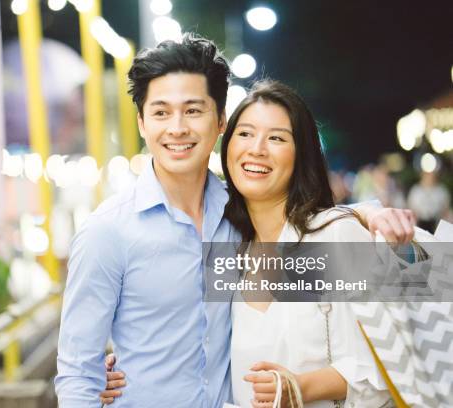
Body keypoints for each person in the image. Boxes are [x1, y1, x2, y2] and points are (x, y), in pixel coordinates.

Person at [56, 33, 414, 408]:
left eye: (193, 110)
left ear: (220, 120)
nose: (177, 128)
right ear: (143, 123)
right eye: (161, 112)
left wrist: (368, 213)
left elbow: (312, 224)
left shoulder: (236, 215)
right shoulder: (108, 232)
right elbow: (78, 374)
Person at [220, 80, 393, 407]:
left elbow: (384, 367)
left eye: (276, 138)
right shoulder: (229, 245)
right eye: (244, 133)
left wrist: (300, 388)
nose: (256, 148)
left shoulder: (335, 236)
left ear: (302, 154)